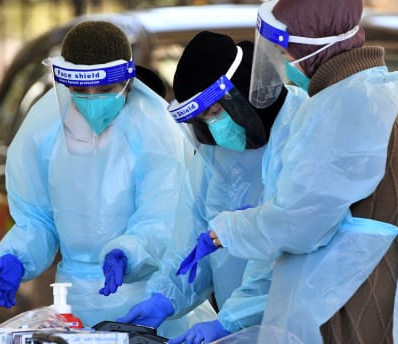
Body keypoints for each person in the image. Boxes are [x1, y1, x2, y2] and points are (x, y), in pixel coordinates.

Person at [181, 0, 398, 343]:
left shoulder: (343, 106)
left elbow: (298, 220)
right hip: (365, 283)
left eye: (286, 53)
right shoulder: (387, 93)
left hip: (344, 296)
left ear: (312, 50)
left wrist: (226, 231)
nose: (283, 64)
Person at [0, 20, 215, 337]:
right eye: (81, 91)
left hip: (150, 300)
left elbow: (166, 218)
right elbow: (37, 219)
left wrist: (129, 252)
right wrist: (17, 255)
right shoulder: (44, 129)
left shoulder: (154, 129)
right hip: (74, 305)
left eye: (105, 90)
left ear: (127, 81)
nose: (93, 100)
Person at [116, 31, 307, 344]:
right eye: (204, 119)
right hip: (242, 330)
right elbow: (190, 242)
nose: (214, 126)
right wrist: (164, 298)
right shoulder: (214, 157)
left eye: (216, 112)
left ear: (244, 91)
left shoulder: (301, 130)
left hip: (302, 326)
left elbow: (286, 250)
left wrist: (230, 320)